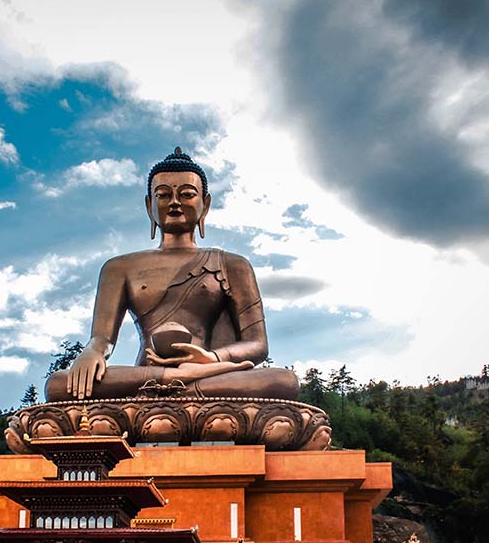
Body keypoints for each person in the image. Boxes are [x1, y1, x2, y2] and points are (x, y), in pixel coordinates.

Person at [45, 148, 299, 403]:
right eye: (163, 195)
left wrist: (211, 359)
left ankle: (158, 394)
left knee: (283, 381)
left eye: (187, 194)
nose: (175, 202)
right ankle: (170, 383)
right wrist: (92, 352)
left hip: (208, 373)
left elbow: (257, 345)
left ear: (205, 204)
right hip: (148, 373)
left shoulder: (232, 264)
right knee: (59, 385)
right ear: (149, 205)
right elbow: (102, 339)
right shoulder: (119, 267)